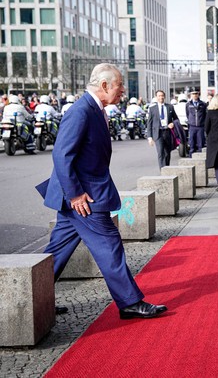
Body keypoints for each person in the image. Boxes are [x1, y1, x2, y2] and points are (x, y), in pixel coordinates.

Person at [36, 63, 167, 319]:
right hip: (84, 198)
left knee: (57, 252)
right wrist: (74, 194)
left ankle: (33, 299)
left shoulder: (95, 109)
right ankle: (129, 302)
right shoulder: (81, 111)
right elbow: (62, 155)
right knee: (109, 244)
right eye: (119, 85)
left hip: (80, 195)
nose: (123, 91)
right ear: (105, 85)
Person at [147, 89, 182, 169]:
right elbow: (149, 123)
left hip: (167, 132)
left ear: (164, 97)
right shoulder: (152, 109)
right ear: (156, 97)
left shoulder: (170, 107)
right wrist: (149, 137)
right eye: (159, 96)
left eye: (162, 96)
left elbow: (176, 119)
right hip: (158, 133)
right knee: (160, 152)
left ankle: (167, 168)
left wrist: (173, 123)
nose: (161, 97)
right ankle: (162, 170)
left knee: (167, 153)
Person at [185, 90, 207, 155]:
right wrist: (191, 121)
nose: (195, 95)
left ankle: (200, 156)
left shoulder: (203, 104)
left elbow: (205, 114)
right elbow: (187, 114)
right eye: (193, 94)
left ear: (198, 95)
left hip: (200, 126)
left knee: (201, 142)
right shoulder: (188, 104)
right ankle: (191, 156)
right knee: (192, 142)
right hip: (192, 126)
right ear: (191, 95)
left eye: (196, 94)